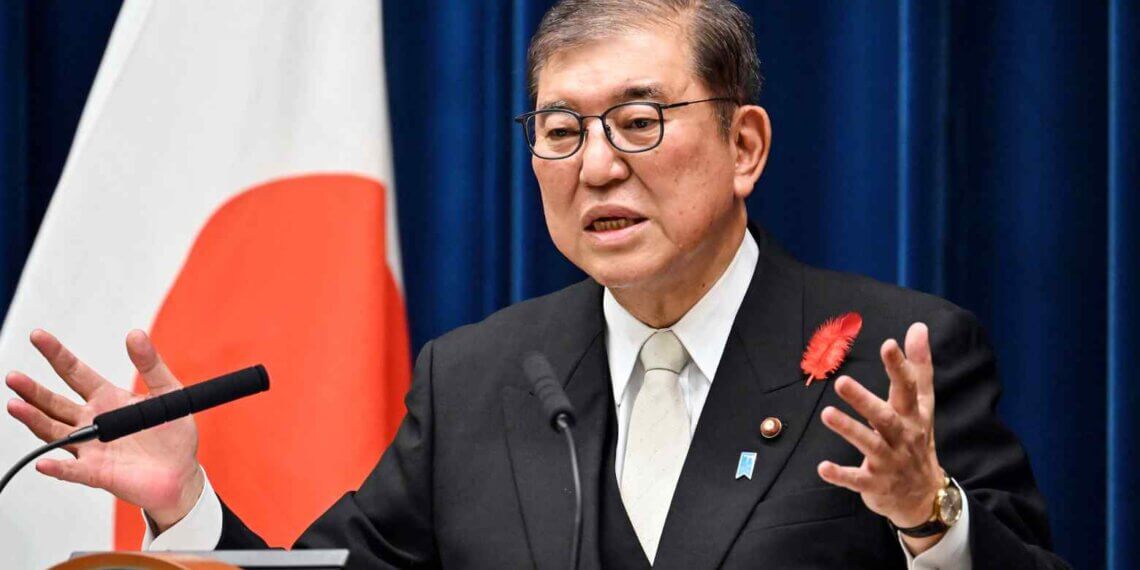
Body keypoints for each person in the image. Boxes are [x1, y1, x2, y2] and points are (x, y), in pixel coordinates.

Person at [6, 1, 1069, 568]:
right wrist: (189, 506)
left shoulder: (895, 358)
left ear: (745, 144)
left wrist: (932, 521)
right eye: (560, 131)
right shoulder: (475, 381)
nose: (597, 164)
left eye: (640, 122)